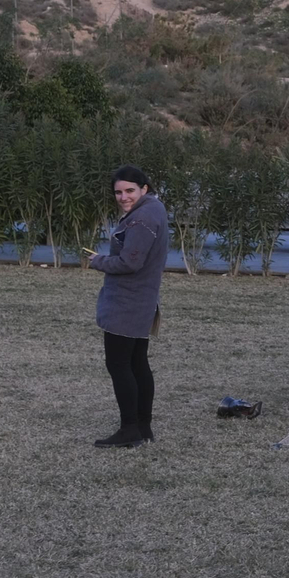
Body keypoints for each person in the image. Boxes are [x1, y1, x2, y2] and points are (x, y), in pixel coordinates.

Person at [88, 164, 169, 449]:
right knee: (137, 363)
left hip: (128, 301)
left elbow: (130, 262)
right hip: (142, 298)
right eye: (118, 192)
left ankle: (130, 429)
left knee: (119, 364)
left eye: (130, 191)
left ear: (144, 189)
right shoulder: (154, 209)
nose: (123, 197)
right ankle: (142, 426)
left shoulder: (141, 218)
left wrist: (98, 261)